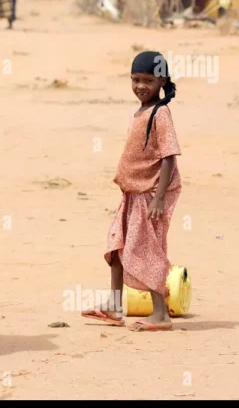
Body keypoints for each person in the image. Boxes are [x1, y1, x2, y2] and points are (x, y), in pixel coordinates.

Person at [81, 51, 181, 332]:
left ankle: (160, 314)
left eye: (148, 80)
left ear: (161, 81)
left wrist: (158, 198)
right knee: (117, 247)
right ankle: (114, 306)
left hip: (148, 196)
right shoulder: (140, 112)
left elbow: (169, 157)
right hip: (131, 195)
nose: (140, 86)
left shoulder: (160, 113)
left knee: (148, 251)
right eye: (135, 80)